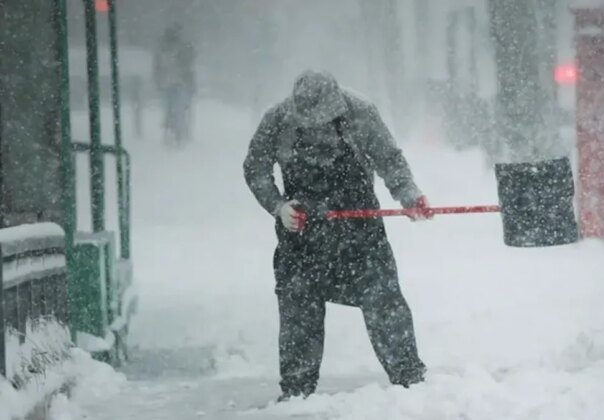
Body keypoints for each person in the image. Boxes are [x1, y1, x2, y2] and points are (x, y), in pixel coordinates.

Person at [243, 70, 432, 401]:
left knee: (384, 301)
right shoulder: (277, 119)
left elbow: (390, 159)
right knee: (298, 311)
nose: (316, 130)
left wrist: (409, 195)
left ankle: (410, 382)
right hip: (301, 237)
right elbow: (255, 168)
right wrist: (278, 206)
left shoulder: (361, 113)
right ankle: (297, 391)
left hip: (360, 234)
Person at [153, 23, 196, 144]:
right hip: (176, 83)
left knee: (173, 108)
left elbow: (157, 67)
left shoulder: (164, 49)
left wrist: (158, 81)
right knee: (177, 108)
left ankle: (174, 130)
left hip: (171, 83)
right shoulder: (181, 48)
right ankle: (176, 130)